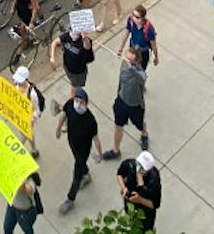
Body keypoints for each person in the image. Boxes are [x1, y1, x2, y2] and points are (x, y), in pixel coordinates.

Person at [55, 87, 102, 215]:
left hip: (84, 150)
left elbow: (96, 138)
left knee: (76, 174)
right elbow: (64, 115)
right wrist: (58, 129)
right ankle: (86, 174)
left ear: (86, 103)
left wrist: (100, 154)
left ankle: (70, 199)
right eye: (77, 100)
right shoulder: (70, 105)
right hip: (72, 142)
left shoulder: (90, 120)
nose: (78, 104)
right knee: (79, 164)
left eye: (81, 102)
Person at [102, 46, 148, 158]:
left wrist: (131, 67)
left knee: (140, 124)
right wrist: (118, 92)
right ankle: (116, 150)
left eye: (130, 60)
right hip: (122, 101)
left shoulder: (139, 72)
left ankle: (144, 134)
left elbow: (143, 78)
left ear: (136, 61)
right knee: (118, 125)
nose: (126, 61)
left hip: (135, 105)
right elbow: (121, 79)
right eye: (126, 57)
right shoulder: (124, 65)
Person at [116, 150, 162, 231]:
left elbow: (155, 204)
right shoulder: (129, 164)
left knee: (146, 229)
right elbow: (120, 174)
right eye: (138, 164)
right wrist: (123, 188)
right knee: (131, 223)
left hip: (145, 213)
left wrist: (140, 200)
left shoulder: (153, 181)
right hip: (129, 207)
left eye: (142, 168)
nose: (138, 169)